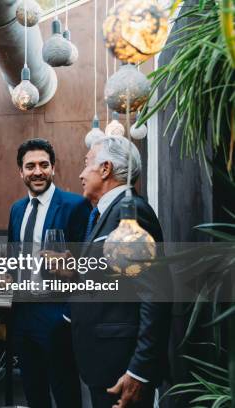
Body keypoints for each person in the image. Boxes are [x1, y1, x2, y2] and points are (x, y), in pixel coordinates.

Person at [72, 136, 171, 408]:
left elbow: (156, 295)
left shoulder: (132, 212)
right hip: (103, 361)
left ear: (105, 169)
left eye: (86, 164)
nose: (81, 174)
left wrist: (139, 370)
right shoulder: (105, 213)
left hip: (122, 366)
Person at [7, 139, 90, 408]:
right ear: (21, 172)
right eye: (30, 166)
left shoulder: (75, 206)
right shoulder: (17, 209)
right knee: (33, 391)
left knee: (65, 392)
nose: (37, 171)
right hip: (23, 315)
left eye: (44, 165)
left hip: (58, 316)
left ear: (53, 168)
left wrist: (67, 315)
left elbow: (88, 267)